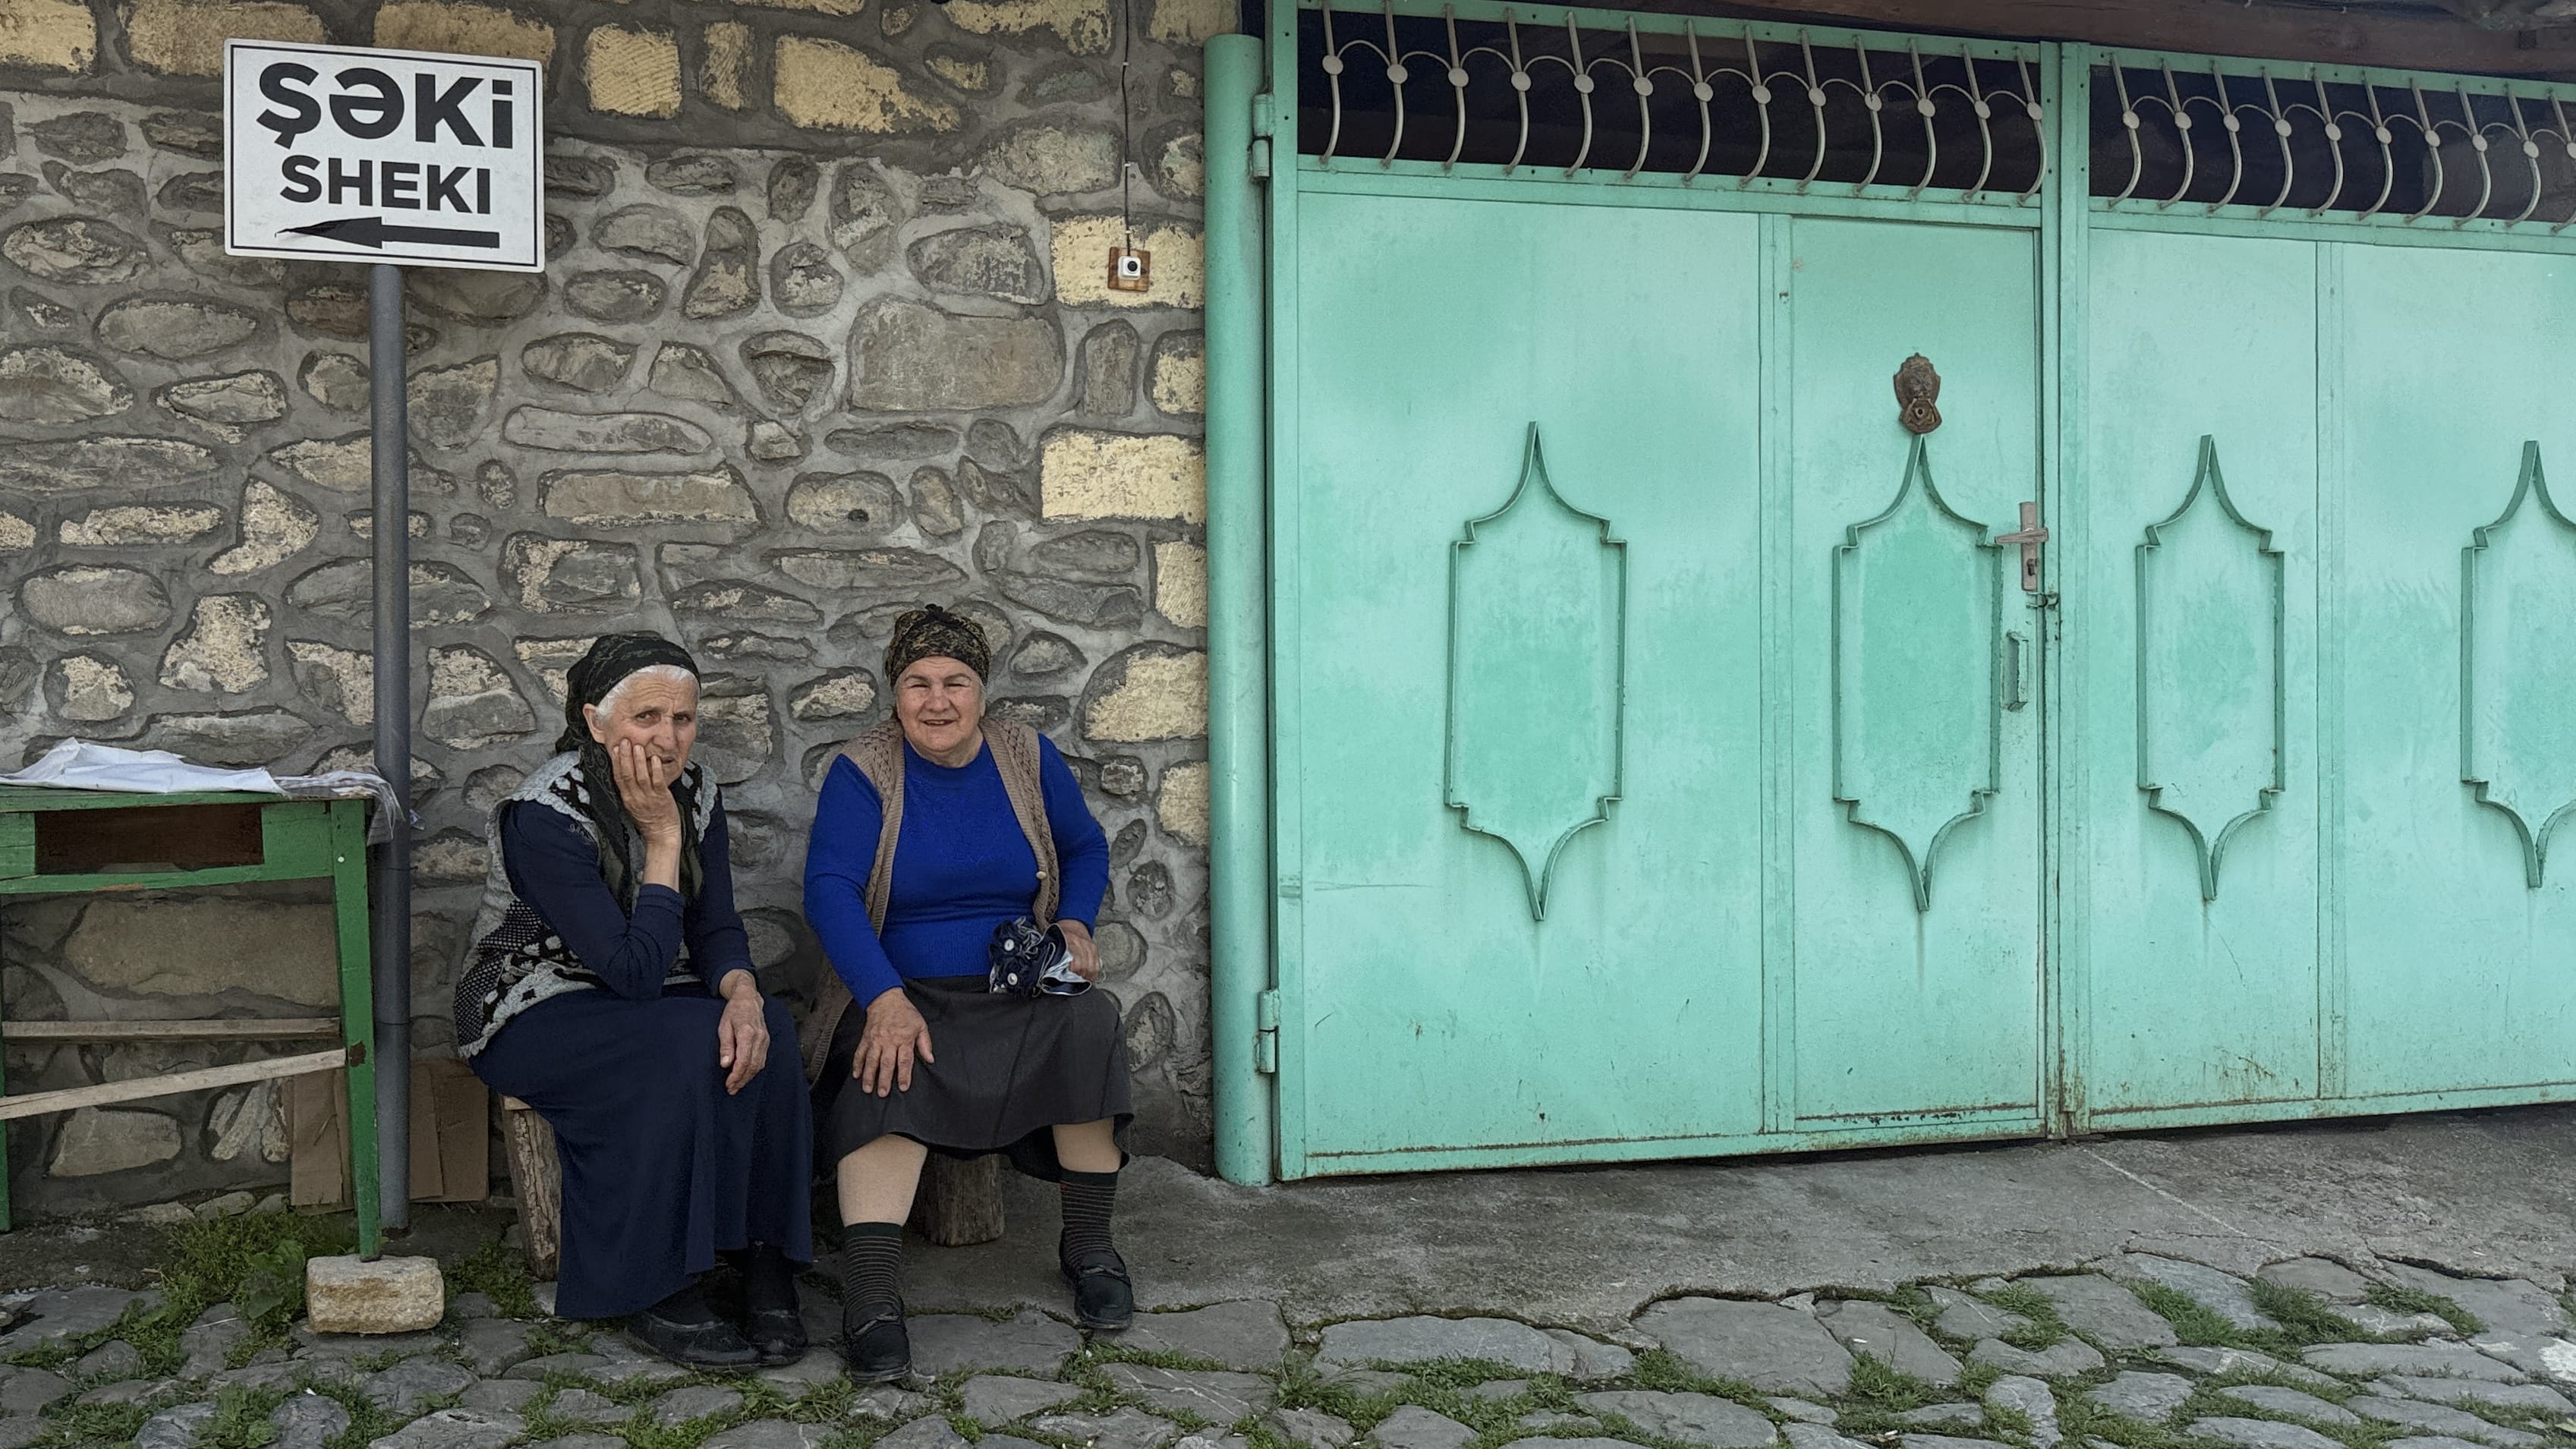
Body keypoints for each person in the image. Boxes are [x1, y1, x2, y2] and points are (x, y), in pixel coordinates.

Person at [455, 634, 813, 1369]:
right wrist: (660, 836)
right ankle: (652, 1287)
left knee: (768, 1028)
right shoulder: (543, 814)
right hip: (531, 1006)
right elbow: (631, 971)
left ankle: (763, 1260)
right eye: (647, 716)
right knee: (681, 1046)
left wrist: (742, 990)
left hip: (651, 996)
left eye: (683, 718)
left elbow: (713, 926)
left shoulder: (698, 790)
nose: (668, 736)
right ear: (596, 720)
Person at [803, 604, 1130, 1381]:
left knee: (1088, 1025)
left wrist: (1076, 923)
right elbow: (829, 892)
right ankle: (873, 1299)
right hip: (902, 989)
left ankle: (1088, 1247)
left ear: (983, 692)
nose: (937, 699)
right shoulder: (864, 770)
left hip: (1014, 984)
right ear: (895, 693)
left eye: (956, 681)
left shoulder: (1024, 754)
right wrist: (881, 997)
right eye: (917, 682)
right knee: (888, 1064)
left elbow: (1083, 843)